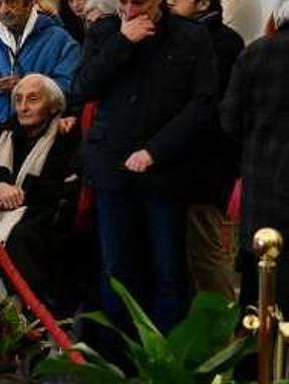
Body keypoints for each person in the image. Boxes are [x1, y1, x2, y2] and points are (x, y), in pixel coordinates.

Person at [74, 0, 217, 364]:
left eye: (137, 2)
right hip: (111, 169)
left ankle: (165, 365)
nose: (129, 7)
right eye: (123, 1)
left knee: (166, 269)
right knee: (116, 269)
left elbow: (203, 103)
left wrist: (154, 151)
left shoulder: (191, 36)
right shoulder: (105, 32)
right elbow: (83, 87)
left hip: (165, 170)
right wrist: (122, 42)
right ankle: (118, 365)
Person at [0, 74, 78, 302]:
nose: (23, 107)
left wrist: (22, 194)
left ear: (53, 106)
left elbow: (65, 189)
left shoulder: (65, 138)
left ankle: (19, 326)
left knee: (21, 242)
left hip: (39, 224)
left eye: (33, 99)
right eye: (18, 99)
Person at [167, 0, 243, 301]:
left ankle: (222, 336)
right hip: (175, 168)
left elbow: (213, 111)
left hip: (204, 170)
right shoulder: (176, 36)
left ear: (202, 3)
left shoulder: (224, 43)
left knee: (205, 255)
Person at [220, 0, 289, 313]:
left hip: (263, 204)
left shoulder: (256, 53)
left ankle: (256, 361)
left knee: (257, 307)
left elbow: (230, 122)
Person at [0, 0, 80, 130]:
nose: (4, 10)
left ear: (29, 3)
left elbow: (71, 88)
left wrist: (25, 85)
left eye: (11, 3)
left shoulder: (60, 40)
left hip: (38, 135)